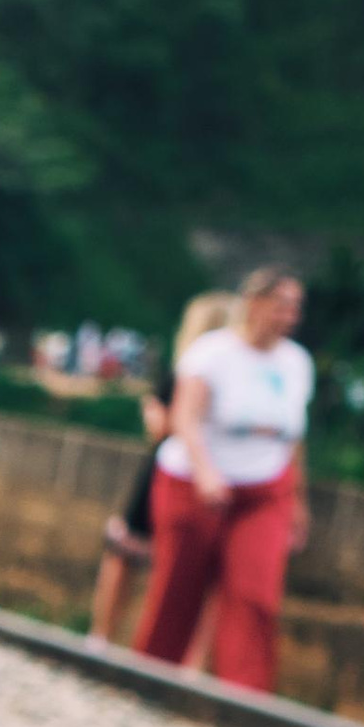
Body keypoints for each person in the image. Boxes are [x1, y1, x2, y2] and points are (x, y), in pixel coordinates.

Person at [133, 268, 313, 692]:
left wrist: (298, 501)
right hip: (194, 485)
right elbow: (185, 418)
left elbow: (294, 438)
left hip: (264, 490)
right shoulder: (212, 353)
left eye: (295, 308)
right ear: (254, 303)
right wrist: (205, 473)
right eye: (282, 305)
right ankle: (149, 681)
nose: (290, 316)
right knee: (178, 591)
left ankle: (244, 696)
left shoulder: (297, 363)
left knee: (255, 596)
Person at [90, 291, 233, 648]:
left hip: (173, 473)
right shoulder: (227, 379)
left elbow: (159, 425)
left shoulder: (186, 372)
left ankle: (103, 636)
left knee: (126, 553)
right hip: (215, 475)